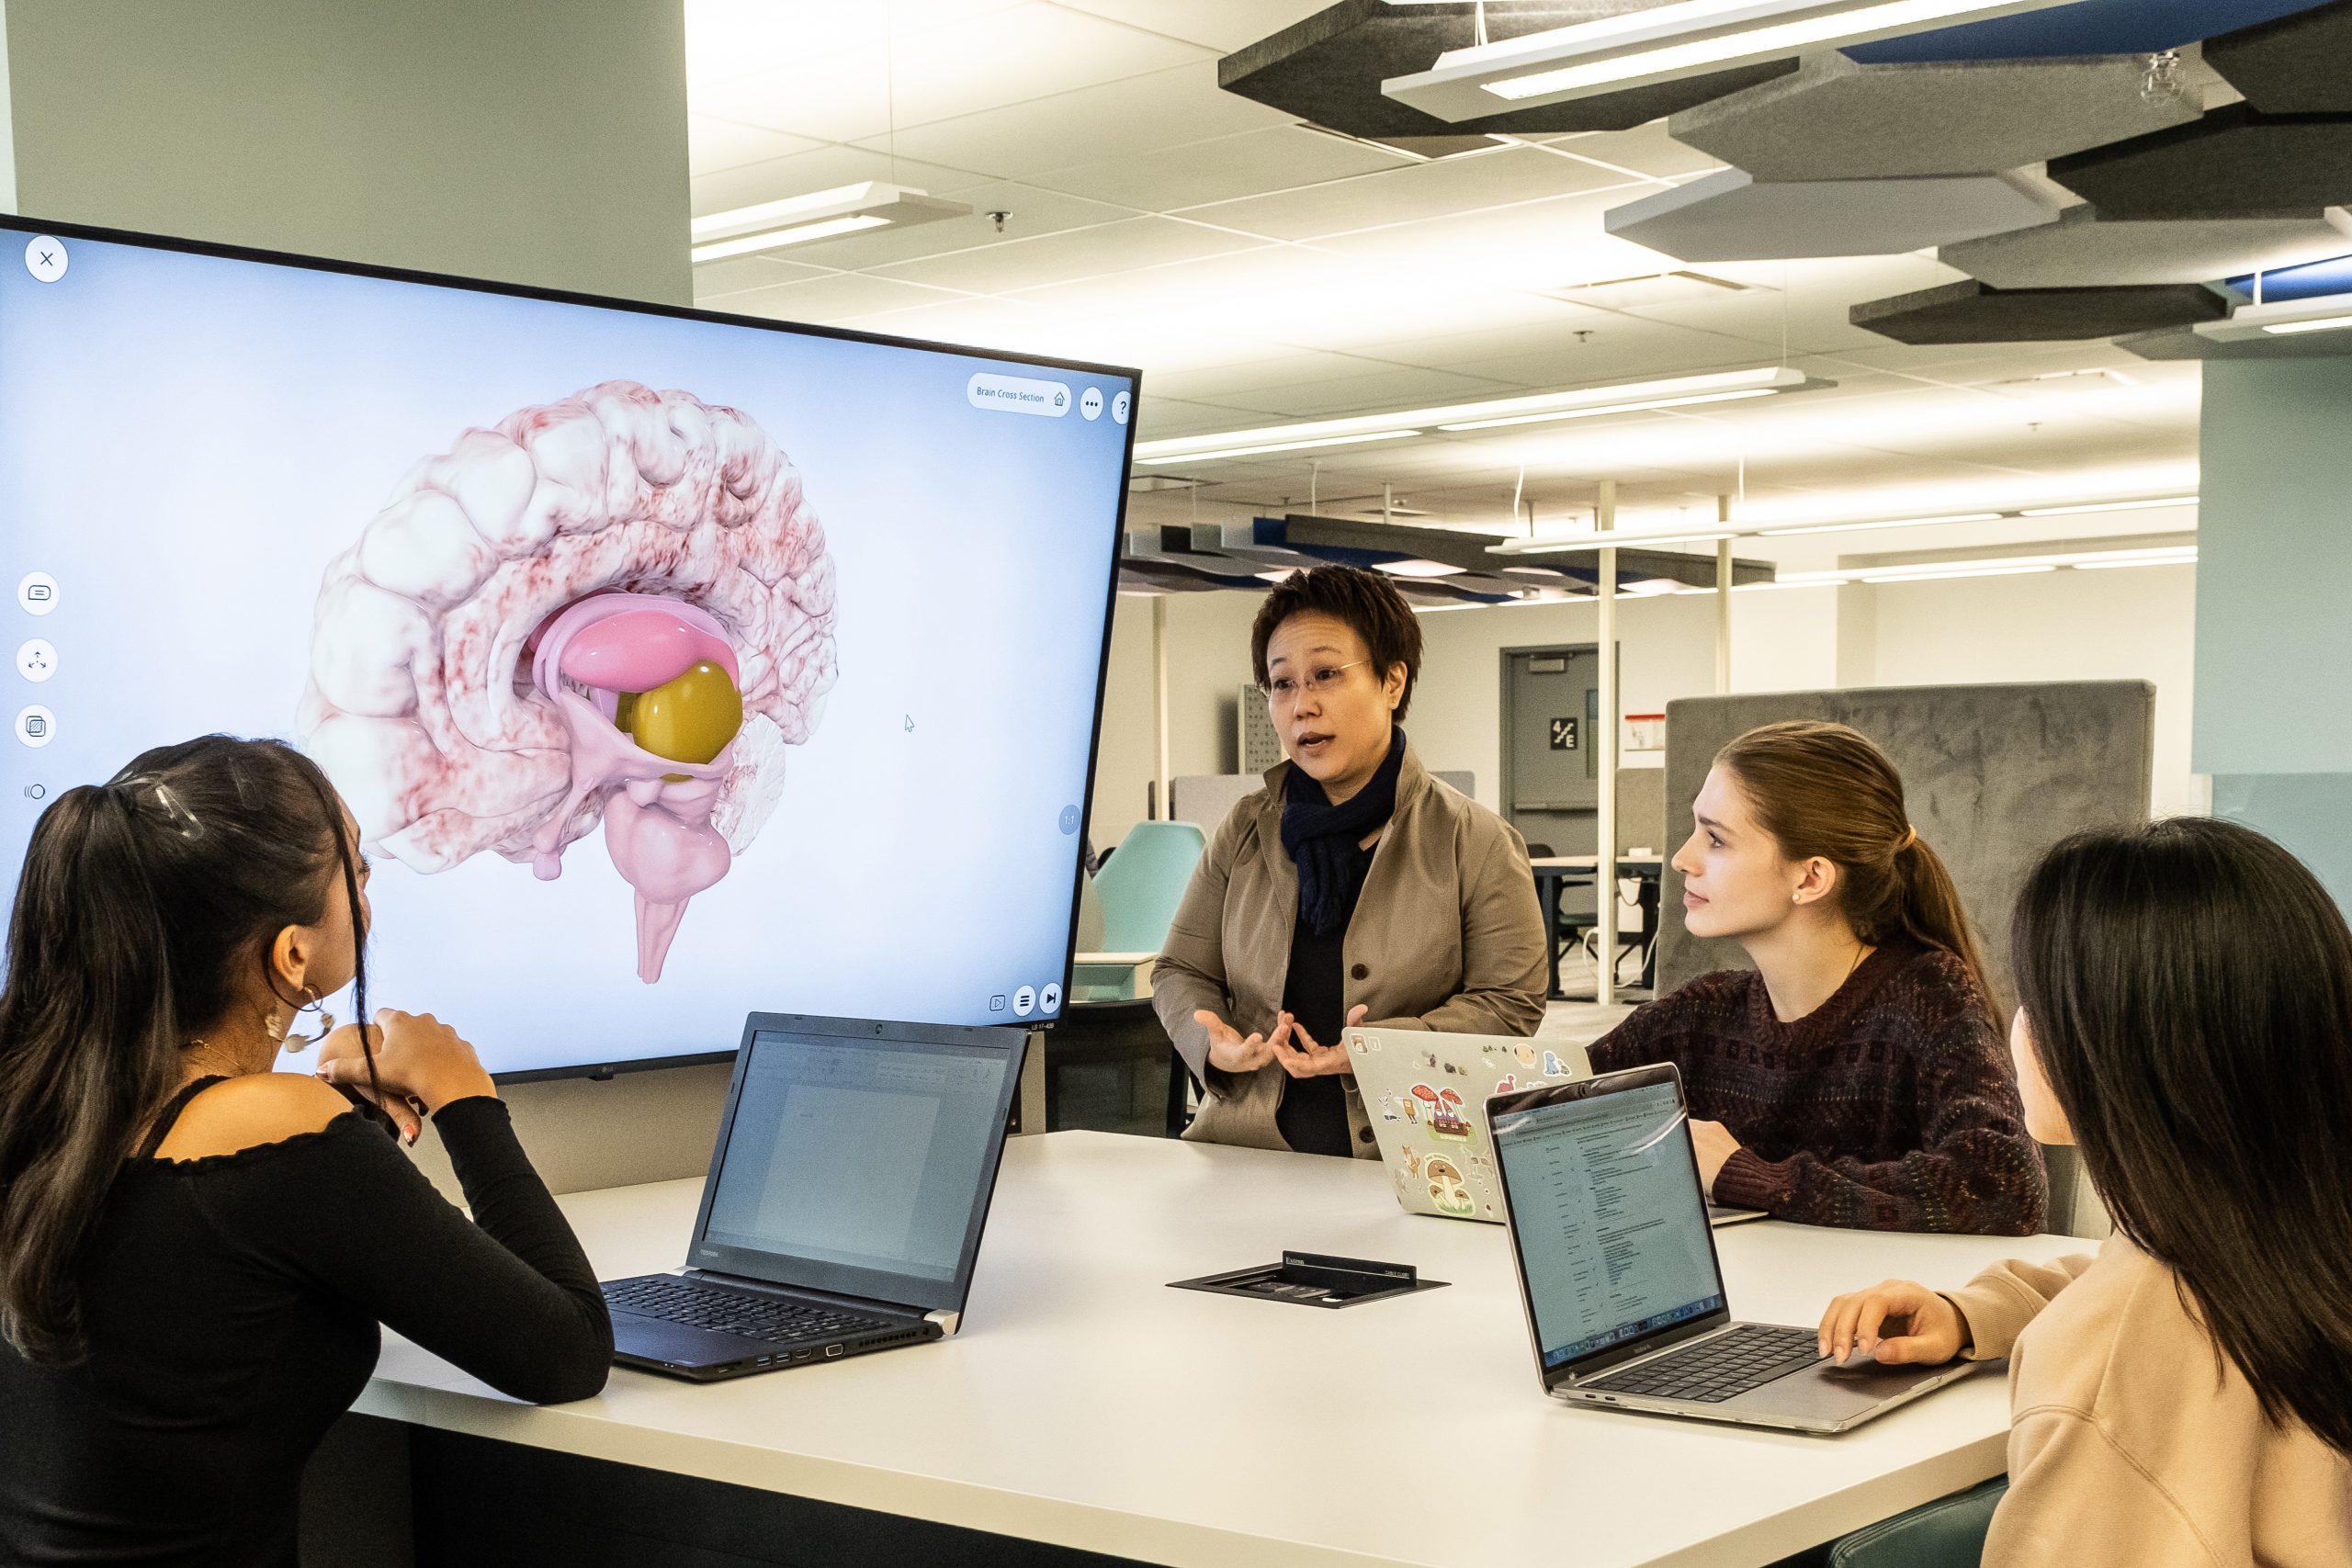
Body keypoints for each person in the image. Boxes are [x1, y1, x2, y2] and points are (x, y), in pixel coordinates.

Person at [0, 736, 612, 1568]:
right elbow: (568, 1349)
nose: (369, 894)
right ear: (292, 954)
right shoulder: (279, 1130)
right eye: (357, 874)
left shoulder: (37, 1113)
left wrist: (347, 1148)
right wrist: (465, 1095)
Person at [1817, 819, 2352, 1564]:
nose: (2019, 1026)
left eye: (2033, 1000)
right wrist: (1971, 1313)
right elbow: (2136, 1280)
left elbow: (2138, 1325)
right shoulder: (2286, 1228)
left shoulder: (2116, 1361)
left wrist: (2093, 1332)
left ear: (2105, 1048)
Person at [1153, 564, 1548, 1156]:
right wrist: (1213, 1039)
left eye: (1327, 676)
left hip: (1413, 1156)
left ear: (1393, 682)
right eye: (1282, 684)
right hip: (1245, 1152)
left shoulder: (1474, 839)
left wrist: (1378, 1049)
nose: (1302, 707)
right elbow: (1181, 970)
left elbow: (1508, 1004)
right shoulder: (1246, 827)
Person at [1589, 720, 2044, 1233]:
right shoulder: (1703, 1013)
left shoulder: (1928, 997)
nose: (1681, 859)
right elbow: (1540, 1099)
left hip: (1861, 1309)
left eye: (1715, 839)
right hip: (1755, 1297)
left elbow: (2005, 1188)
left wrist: (1749, 1176)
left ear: (1810, 877)